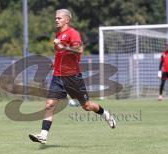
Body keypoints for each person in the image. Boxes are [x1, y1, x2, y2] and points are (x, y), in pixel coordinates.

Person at [29, 9, 116, 144]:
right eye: (55, 18)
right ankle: (43, 135)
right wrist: (55, 63)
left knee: (86, 106)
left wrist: (62, 46)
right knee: (49, 105)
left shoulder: (72, 33)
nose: (56, 20)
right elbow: (61, 54)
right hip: (58, 76)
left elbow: (79, 49)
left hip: (72, 77)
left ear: (67, 20)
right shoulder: (59, 34)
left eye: (59, 18)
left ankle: (106, 115)